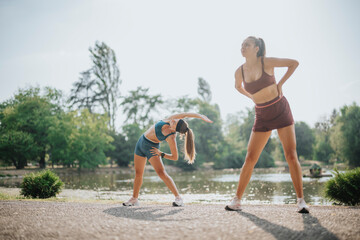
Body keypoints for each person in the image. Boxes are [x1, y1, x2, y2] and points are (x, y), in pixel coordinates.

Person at [226, 36, 309, 213]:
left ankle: (301, 200)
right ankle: (237, 200)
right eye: (241, 45)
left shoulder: (267, 62)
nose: (242, 47)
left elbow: (294, 63)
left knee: (291, 155)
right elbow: (237, 87)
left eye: (246, 45)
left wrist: (280, 83)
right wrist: (252, 97)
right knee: (250, 158)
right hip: (262, 114)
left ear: (256, 48)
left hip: (280, 109)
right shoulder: (239, 71)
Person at [123, 113, 213, 207]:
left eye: (175, 122)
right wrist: (200, 116)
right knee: (138, 173)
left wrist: (161, 154)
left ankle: (178, 198)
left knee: (161, 173)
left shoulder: (171, 137)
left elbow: (175, 157)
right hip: (141, 143)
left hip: (152, 148)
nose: (174, 120)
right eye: (176, 120)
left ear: (175, 129)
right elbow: (185, 114)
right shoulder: (171, 119)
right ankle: (134, 199)